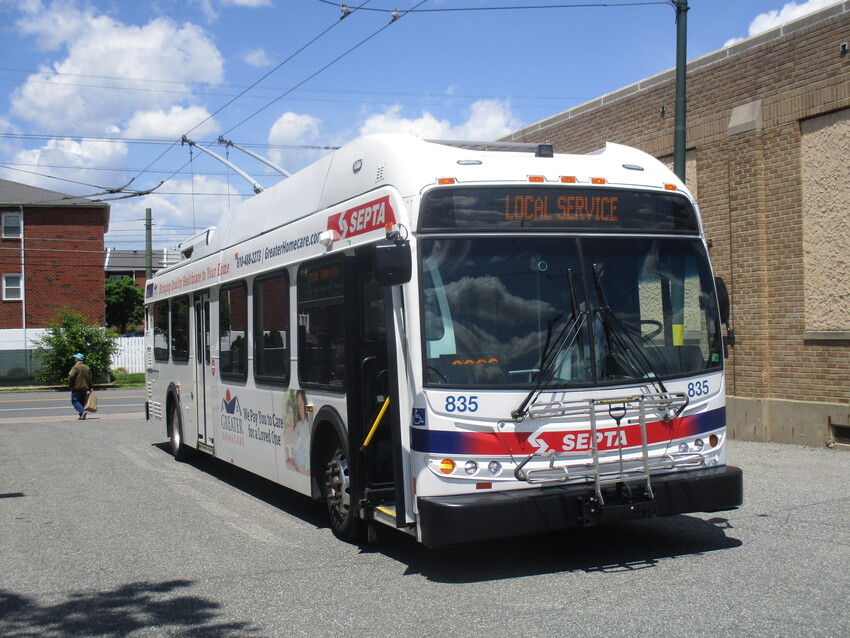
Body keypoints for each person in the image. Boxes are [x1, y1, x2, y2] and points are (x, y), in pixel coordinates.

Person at [68, 353, 92, 420]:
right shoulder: (87, 367)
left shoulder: (75, 367)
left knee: (75, 401)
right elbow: (90, 378)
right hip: (85, 387)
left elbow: (71, 376)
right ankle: (82, 414)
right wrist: (90, 387)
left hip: (77, 387)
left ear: (76, 359)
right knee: (82, 401)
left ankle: (82, 411)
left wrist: (70, 385)